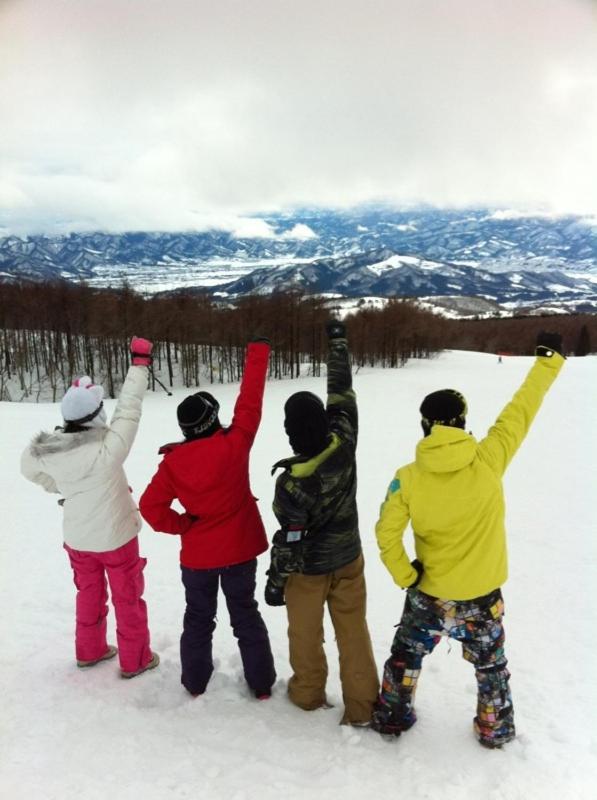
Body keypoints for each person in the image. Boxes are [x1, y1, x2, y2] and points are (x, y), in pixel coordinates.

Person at [371, 332, 565, 748]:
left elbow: (386, 532)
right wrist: (547, 361)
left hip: (429, 595)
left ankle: (391, 716)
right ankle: (495, 729)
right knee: (491, 668)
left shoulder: (407, 477)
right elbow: (520, 411)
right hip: (482, 597)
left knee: (405, 658)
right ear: (462, 420)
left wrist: (406, 574)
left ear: (426, 425)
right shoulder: (489, 459)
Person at [139, 339, 276, 699]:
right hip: (241, 549)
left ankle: (195, 682)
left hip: (198, 557)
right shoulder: (236, 443)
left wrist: (184, 524)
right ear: (214, 420)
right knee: (245, 614)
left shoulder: (173, 464)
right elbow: (250, 400)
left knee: (199, 619)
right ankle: (261, 684)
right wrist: (258, 351)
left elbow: (151, 508)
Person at [21, 337, 159, 679]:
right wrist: (139, 364)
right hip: (117, 539)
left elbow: (27, 467)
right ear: (96, 418)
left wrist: (59, 486)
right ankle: (135, 659)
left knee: (88, 593)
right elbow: (129, 408)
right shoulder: (108, 450)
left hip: (78, 540)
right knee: (128, 599)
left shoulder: (50, 450)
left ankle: (90, 650)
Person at [265, 320, 379, 726]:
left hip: (308, 571)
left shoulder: (291, 485)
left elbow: (290, 540)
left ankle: (308, 695)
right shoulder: (344, 439)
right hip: (349, 559)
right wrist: (337, 342)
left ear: (291, 434)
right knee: (354, 633)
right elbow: (341, 389)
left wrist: (276, 581)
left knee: (305, 635)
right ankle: (363, 705)